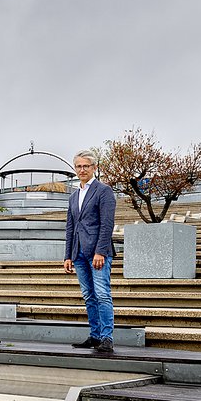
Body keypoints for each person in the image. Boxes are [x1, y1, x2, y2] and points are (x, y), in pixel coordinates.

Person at [63, 150, 116, 353]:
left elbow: (107, 223)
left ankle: (106, 337)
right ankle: (95, 336)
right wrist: (68, 255)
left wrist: (101, 251)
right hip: (78, 253)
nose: (82, 169)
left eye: (86, 166)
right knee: (88, 295)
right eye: (79, 166)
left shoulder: (104, 191)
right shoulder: (74, 195)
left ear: (94, 168)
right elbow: (70, 226)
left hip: (97, 253)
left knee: (102, 294)